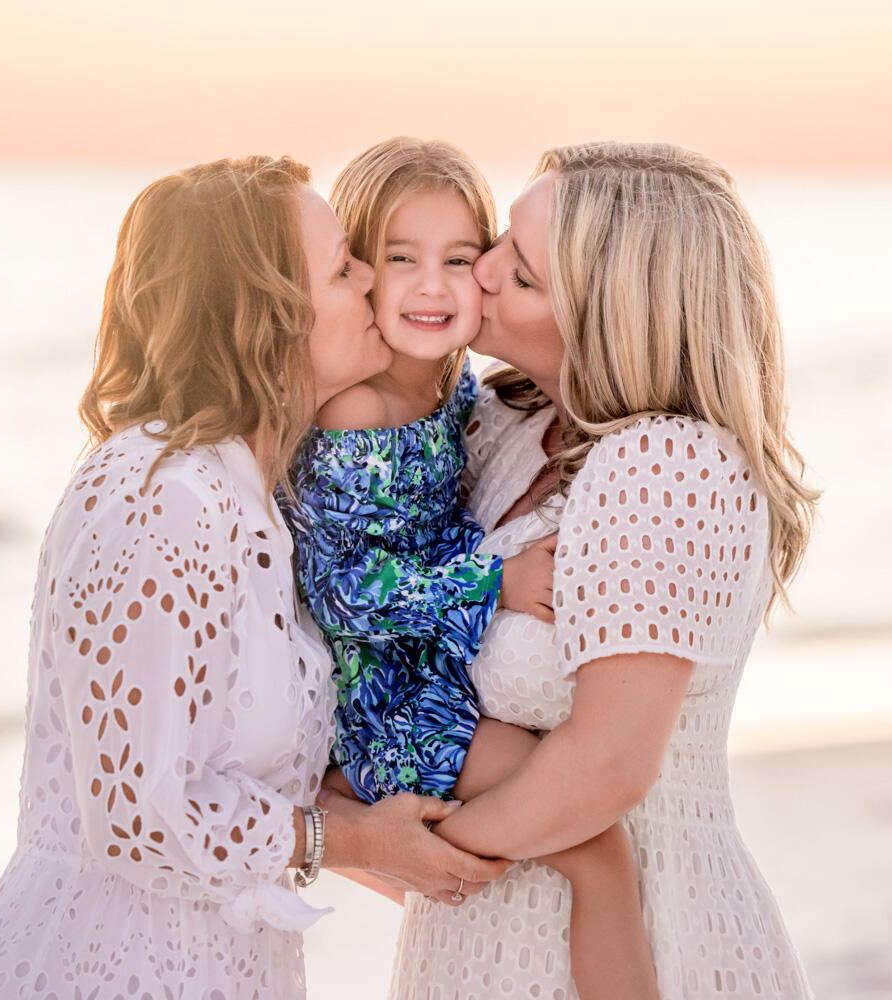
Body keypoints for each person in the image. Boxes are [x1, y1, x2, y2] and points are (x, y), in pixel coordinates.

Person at [0, 155, 509, 1000]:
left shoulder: (268, 498)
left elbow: (233, 775)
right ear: (264, 309)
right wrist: (349, 844)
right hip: (107, 972)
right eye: (344, 268)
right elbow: (140, 816)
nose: (369, 287)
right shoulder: (155, 494)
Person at [375, 141, 821, 999]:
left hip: (636, 938)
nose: (486, 270)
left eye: (527, 275)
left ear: (610, 318)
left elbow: (609, 764)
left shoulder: (667, 461)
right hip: (485, 928)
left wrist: (411, 846)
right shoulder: (507, 429)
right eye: (503, 237)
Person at [283, 137, 659, 998]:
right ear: (356, 271)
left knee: (587, 839)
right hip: (393, 700)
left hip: (433, 674)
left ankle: (344, 825)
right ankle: (348, 827)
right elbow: (343, 594)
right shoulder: (357, 410)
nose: (432, 285)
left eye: (460, 258)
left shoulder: (457, 390)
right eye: (399, 258)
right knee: (599, 856)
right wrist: (495, 582)